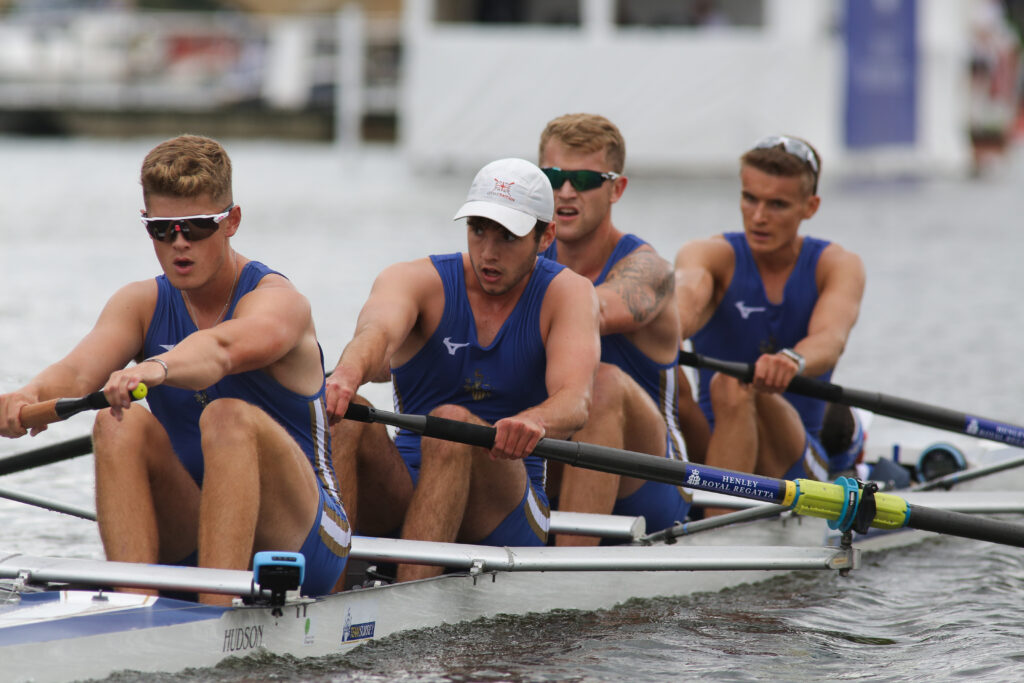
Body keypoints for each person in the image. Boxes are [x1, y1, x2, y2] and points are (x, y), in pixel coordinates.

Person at [0, 135, 350, 603]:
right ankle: (131, 607)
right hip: (198, 521)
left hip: (306, 539)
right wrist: (25, 396)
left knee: (225, 415)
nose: (179, 243)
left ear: (232, 222)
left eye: (197, 227)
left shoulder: (278, 302)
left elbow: (220, 351)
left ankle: (213, 615)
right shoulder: (140, 303)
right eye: (162, 229)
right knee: (114, 422)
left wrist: (156, 368)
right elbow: (78, 373)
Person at [325, 157, 600, 582]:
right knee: (351, 412)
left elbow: (575, 400)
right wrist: (346, 373)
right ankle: (324, 596)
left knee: (450, 423)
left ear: (545, 236)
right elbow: (375, 333)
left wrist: (533, 420)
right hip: (406, 489)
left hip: (507, 506)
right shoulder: (413, 279)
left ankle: (410, 606)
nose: (488, 253)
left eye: (508, 236)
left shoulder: (569, 294)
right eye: (478, 230)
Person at [536, 113, 705, 544]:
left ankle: (565, 578)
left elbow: (594, 310)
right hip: (552, 456)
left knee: (603, 382)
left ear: (617, 188)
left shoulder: (647, 269)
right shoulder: (521, 258)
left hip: (652, 482)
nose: (566, 191)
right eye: (553, 176)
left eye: (586, 179)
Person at [674, 135, 866, 515]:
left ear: (810, 207)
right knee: (659, 372)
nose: (759, 216)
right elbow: (683, 305)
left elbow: (830, 338)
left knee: (736, 384)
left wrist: (791, 360)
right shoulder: (708, 254)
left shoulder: (837, 265)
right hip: (712, 441)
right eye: (750, 198)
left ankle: (716, 529)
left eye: (777, 204)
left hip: (796, 461)